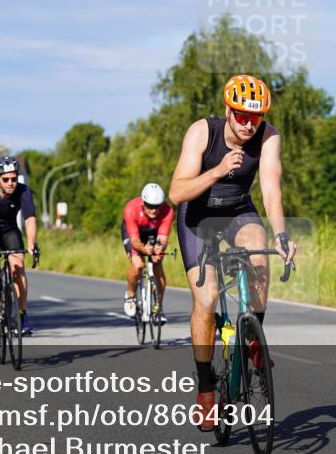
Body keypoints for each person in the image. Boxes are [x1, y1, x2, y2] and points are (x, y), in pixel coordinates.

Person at [169, 74, 297, 431]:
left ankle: (253, 341)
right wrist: (218, 170)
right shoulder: (202, 132)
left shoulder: (268, 136)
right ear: (228, 111)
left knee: (259, 252)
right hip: (197, 216)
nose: (248, 124)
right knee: (207, 299)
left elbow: (270, 189)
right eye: (241, 116)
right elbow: (176, 193)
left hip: (237, 211)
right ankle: (206, 389)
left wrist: (282, 235)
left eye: (255, 117)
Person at [0, 156, 40, 338]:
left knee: (18, 268)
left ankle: (22, 315)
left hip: (10, 232)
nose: (11, 183)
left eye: (14, 178)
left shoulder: (23, 191)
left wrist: (31, 243)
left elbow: (30, 219)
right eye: (6, 179)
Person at [121, 183, 175, 323]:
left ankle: (158, 308)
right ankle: (130, 295)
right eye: (150, 206)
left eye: (157, 206)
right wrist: (144, 249)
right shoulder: (131, 209)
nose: (153, 210)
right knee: (138, 265)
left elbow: (163, 237)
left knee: (157, 262)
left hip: (154, 232)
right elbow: (134, 240)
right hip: (135, 233)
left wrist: (160, 248)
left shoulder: (168, 211)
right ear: (143, 203)